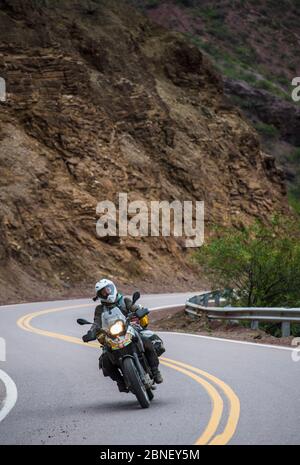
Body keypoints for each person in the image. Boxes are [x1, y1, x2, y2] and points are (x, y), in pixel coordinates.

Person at [82, 279, 163, 392]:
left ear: (113, 288)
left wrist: (140, 310)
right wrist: (91, 333)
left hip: (129, 329)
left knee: (147, 342)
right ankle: (120, 381)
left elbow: (133, 307)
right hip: (111, 335)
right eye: (103, 292)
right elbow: (96, 323)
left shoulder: (124, 301)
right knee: (105, 361)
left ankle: (155, 371)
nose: (107, 293)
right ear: (99, 295)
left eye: (108, 290)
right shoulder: (99, 309)